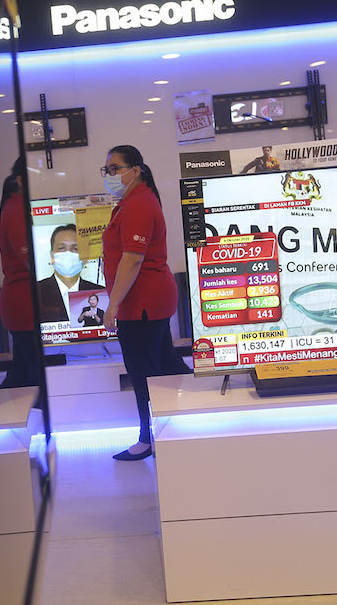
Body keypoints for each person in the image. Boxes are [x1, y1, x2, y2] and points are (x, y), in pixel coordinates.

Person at [101, 144, 190, 461]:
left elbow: (132, 260)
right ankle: (180, 426)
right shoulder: (130, 202)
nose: (110, 175)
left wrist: (112, 305)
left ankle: (148, 438)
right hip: (144, 301)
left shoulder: (139, 204)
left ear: (135, 170)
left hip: (142, 303)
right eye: (107, 170)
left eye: (115, 168)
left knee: (143, 372)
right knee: (164, 365)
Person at [0, 157, 41, 388]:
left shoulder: (17, 205)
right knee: (30, 379)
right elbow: (31, 261)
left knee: (23, 375)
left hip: (23, 304)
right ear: (22, 179)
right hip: (24, 305)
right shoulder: (16, 210)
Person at [36, 224, 104, 324]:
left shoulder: (100, 293)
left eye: (75, 249)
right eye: (61, 248)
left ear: (85, 258)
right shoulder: (35, 292)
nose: (68, 253)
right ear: (52, 255)